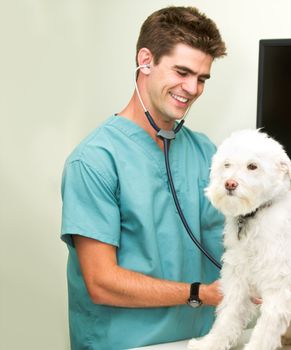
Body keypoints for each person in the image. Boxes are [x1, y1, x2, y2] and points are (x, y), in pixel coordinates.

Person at [60, 6, 228, 349]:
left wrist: (273, 211)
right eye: (182, 72)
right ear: (146, 59)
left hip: (199, 339)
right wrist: (199, 293)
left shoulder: (206, 152)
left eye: (202, 78)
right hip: (125, 342)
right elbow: (101, 282)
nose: (192, 88)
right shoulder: (95, 160)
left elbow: (225, 239)